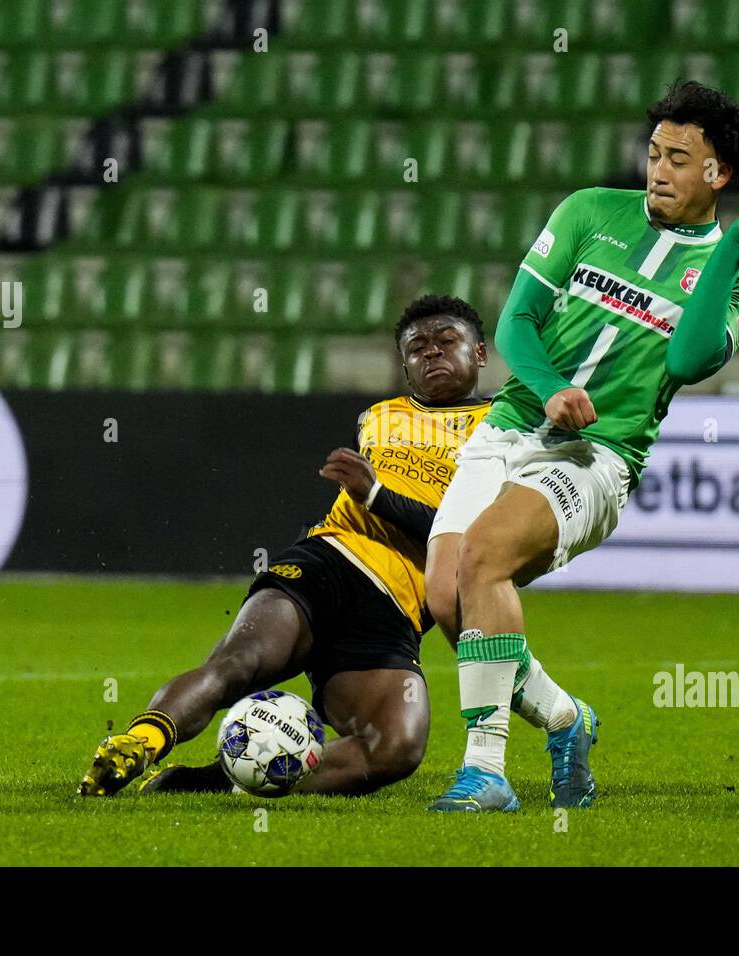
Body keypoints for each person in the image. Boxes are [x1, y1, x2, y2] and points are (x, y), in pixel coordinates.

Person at [424, 80, 739, 812]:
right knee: (446, 597)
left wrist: (732, 247)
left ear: (717, 175)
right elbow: (517, 322)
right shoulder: (589, 210)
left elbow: (687, 361)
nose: (657, 169)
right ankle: (567, 719)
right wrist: (550, 384)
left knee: (484, 557)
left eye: (678, 159)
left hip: (596, 459)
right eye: (654, 152)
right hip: (510, 425)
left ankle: (486, 772)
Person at [78, 294, 492, 797]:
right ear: (405, 366)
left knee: (395, 749)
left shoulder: (503, 433)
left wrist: (378, 495)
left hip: (397, 608)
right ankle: (137, 742)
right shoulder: (381, 416)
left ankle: (223, 780)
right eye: (417, 348)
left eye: (447, 342)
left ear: (481, 352)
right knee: (238, 665)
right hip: (330, 560)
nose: (432, 354)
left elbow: (470, 539)